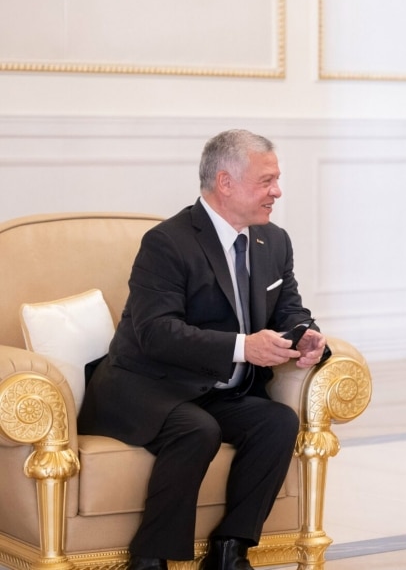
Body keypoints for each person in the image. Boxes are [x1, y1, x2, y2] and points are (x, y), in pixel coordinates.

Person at [78, 129, 330, 570]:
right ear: (225, 182)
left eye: (277, 180)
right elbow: (156, 332)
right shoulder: (167, 242)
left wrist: (307, 335)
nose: (277, 191)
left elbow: (290, 309)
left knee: (277, 422)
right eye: (266, 181)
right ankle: (149, 558)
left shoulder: (274, 241)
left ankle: (230, 550)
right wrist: (243, 347)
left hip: (215, 390)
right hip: (146, 385)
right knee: (197, 429)